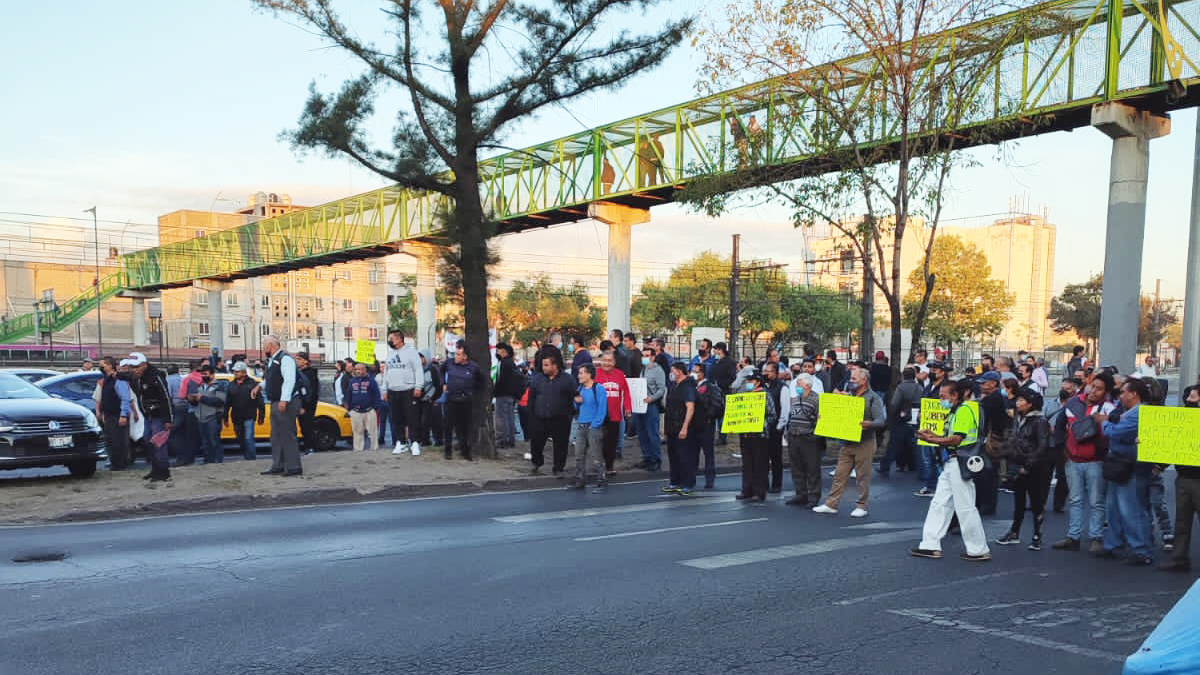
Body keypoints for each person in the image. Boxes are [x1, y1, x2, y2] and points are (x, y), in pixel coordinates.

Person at [910, 379, 991, 562]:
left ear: (955, 395)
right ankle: (930, 545)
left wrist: (932, 440)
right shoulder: (966, 409)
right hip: (955, 461)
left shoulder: (964, 410)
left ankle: (978, 549)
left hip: (958, 461)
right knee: (940, 503)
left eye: (943, 396)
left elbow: (956, 439)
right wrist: (934, 437)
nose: (941, 400)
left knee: (964, 507)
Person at [1051, 372, 1116, 553]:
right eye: (1092, 386)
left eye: (1099, 389)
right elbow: (1059, 426)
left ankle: (1096, 537)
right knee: (1075, 499)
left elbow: (1113, 433)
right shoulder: (1073, 403)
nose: (1093, 391)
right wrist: (1063, 450)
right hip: (1073, 459)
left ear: (1106, 392)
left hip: (1095, 460)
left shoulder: (1108, 408)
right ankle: (1074, 536)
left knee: (1096, 501)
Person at [1093, 378, 1154, 565]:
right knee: (1114, 507)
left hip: (1131, 466)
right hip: (1118, 463)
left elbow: (1116, 431)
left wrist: (1103, 423)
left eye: (1123, 392)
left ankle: (1141, 549)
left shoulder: (1139, 413)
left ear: (1134, 394)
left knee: (1131, 508)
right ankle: (1114, 543)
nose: (1120, 396)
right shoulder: (1126, 411)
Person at [813, 368, 886, 517]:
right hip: (847, 442)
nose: (850, 382)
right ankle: (831, 504)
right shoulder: (848, 397)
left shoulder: (873, 398)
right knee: (840, 474)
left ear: (864, 381)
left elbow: (881, 420)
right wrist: (825, 417)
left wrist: (869, 424)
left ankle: (862, 506)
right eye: (851, 379)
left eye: (854, 379)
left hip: (865, 442)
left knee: (862, 476)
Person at [995, 388, 1051, 550]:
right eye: (1017, 400)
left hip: (1034, 467)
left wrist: (1028, 465)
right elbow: (1013, 440)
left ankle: (1037, 535)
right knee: (1018, 501)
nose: (1018, 403)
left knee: (1036, 502)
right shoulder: (1018, 419)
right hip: (1017, 464)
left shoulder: (1040, 421)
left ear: (1030, 403)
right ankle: (1014, 532)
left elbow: (1042, 447)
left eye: (1021, 400)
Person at [1161, 387, 1200, 572]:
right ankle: (1179, 557)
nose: (1189, 399)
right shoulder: (1184, 418)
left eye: (1193, 397)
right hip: (1184, 476)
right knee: (1182, 520)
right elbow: (1175, 443)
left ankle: (1179, 557)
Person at [260, 335, 304, 477]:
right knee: (276, 435)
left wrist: (284, 400)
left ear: (271, 345)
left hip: (286, 402)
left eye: (264, 344)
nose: (263, 347)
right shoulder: (272, 361)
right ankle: (278, 465)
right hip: (276, 401)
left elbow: (289, 380)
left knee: (287, 434)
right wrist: (259, 387)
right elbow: (271, 379)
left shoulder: (285, 359)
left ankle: (293, 467)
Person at [128, 352, 174, 482]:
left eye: (136, 367)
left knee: (159, 443)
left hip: (159, 415)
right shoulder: (137, 377)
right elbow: (125, 376)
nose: (134, 370)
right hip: (148, 415)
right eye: (132, 367)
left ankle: (164, 472)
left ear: (144, 365)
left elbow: (166, 398)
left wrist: (169, 419)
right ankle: (155, 470)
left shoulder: (155, 376)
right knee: (149, 441)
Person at [528, 354, 576, 475]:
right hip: (540, 417)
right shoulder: (537, 379)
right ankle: (537, 463)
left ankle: (558, 468)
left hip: (561, 419)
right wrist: (531, 413)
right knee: (536, 443)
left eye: (546, 365)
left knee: (561, 445)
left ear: (555, 365)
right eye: (543, 365)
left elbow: (574, 397)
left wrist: (570, 414)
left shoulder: (568, 379)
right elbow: (532, 397)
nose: (543, 367)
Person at [736, 371, 776, 503]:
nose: (749, 383)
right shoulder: (745, 395)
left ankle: (759, 492)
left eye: (751, 381)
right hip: (746, 433)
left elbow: (772, 415)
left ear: (758, 382)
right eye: (748, 381)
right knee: (747, 463)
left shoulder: (765, 396)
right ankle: (747, 490)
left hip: (760, 434)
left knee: (760, 463)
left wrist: (760, 422)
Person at [442, 342, 487, 461]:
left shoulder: (473, 367)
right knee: (448, 425)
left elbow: (481, 382)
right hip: (451, 399)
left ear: (465, 356)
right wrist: (444, 383)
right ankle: (447, 450)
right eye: (455, 353)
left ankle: (465, 450)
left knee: (465, 427)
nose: (455, 356)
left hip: (466, 401)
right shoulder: (449, 363)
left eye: (458, 354)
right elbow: (441, 371)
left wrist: (471, 392)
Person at [384, 329, 424, 456]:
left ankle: (414, 442)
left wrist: (418, 387)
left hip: (408, 390)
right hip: (393, 390)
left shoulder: (411, 352)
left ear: (399, 339)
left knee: (411, 418)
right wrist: (384, 389)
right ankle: (401, 442)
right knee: (397, 418)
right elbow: (386, 372)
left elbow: (418, 370)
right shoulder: (390, 354)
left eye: (391, 338)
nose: (389, 341)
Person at [663, 362, 700, 496]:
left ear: (679, 371)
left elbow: (690, 408)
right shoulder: (675, 386)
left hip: (682, 428)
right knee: (674, 456)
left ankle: (688, 484)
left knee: (685, 456)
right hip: (672, 427)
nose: (671, 374)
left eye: (672, 371)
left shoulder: (687, 387)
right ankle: (675, 482)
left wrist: (684, 427)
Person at [784, 373, 821, 506]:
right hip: (794, 437)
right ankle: (801, 494)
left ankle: (813, 496)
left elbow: (821, 420)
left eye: (799, 383)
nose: (797, 385)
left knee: (812, 468)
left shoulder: (816, 399)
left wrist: (814, 435)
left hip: (808, 438)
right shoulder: (796, 398)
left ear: (807, 385)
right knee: (796, 468)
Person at [975, 370, 1009, 514]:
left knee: (987, 473)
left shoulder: (992, 400)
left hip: (991, 439)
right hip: (995, 438)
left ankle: (986, 505)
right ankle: (988, 504)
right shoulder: (998, 397)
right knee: (990, 473)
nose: (981, 385)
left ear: (993, 383)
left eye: (984, 383)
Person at [879, 367, 922, 478]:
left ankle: (885, 467)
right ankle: (913, 465)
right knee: (912, 443)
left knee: (894, 443)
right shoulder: (919, 387)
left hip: (902, 417)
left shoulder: (901, 387)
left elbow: (894, 403)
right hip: (916, 417)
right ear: (914, 376)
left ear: (903, 376)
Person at [571, 363, 608, 492]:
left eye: (581, 373)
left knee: (596, 455)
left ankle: (601, 480)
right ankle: (580, 479)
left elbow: (602, 409)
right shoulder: (580, 388)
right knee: (579, 454)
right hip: (581, 425)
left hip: (593, 426)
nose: (579, 375)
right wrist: (576, 402)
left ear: (589, 374)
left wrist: (595, 425)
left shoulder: (598, 388)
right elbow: (576, 408)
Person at [596, 351, 632, 473]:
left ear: (614, 362)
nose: (607, 363)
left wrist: (628, 408)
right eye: (604, 360)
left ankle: (609, 466)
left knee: (611, 442)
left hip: (614, 415)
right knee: (597, 442)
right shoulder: (594, 374)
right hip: (598, 415)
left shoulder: (620, 374)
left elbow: (626, 392)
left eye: (609, 360)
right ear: (600, 361)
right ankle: (598, 465)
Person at [97, 356, 132, 471]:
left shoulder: (118, 380)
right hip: (109, 415)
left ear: (110, 366)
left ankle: (120, 464)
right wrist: (102, 412)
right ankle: (115, 463)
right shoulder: (106, 380)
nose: (101, 367)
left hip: (117, 415)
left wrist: (123, 415)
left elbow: (125, 398)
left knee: (119, 441)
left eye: (103, 365)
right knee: (111, 440)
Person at [187, 364, 227, 464]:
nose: (203, 376)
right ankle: (208, 461)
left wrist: (202, 398)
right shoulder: (200, 386)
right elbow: (197, 402)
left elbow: (220, 401)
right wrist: (192, 400)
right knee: (205, 442)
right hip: (201, 417)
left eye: (206, 374)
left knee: (214, 441)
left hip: (213, 417)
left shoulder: (219, 386)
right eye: (202, 374)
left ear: (212, 375)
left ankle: (217, 462)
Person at [635, 346, 666, 471]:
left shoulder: (658, 370)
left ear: (653, 357)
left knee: (652, 433)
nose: (644, 358)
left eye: (647, 355)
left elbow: (661, 389)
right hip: (640, 404)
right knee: (642, 433)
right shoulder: (642, 369)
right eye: (643, 355)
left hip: (651, 405)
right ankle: (647, 457)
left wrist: (652, 398)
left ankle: (656, 460)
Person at [225, 362, 264, 461]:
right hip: (236, 417)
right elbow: (227, 402)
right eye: (234, 371)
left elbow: (260, 401)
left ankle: (251, 460)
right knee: (240, 439)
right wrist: (225, 417)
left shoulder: (252, 384)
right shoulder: (231, 385)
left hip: (249, 416)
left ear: (243, 372)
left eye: (237, 371)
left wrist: (261, 416)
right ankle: (246, 456)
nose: (235, 373)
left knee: (248, 438)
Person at [691, 362, 721, 489]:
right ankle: (691, 478)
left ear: (702, 373)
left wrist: (707, 416)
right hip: (693, 424)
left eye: (696, 371)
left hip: (706, 425)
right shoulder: (691, 386)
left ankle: (710, 479)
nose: (693, 373)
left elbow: (716, 405)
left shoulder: (710, 387)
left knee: (708, 453)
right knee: (692, 453)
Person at [346, 362, 382, 451]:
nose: (358, 371)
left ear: (365, 370)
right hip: (356, 411)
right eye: (356, 369)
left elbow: (377, 394)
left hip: (369, 410)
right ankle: (358, 449)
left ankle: (374, 448)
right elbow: (348, 395)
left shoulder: (371, 381)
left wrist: (376, 407)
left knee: (373, 432)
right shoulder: (352, 381)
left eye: (360, 369)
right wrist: (349, 409)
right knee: (357, 431)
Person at [493, 342, 522, 449]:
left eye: (498, 350)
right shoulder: (511, 363)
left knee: (501, 417)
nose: (497, 352)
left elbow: (501, 379)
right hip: (510, 395)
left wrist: (495, 391)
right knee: (509, 417)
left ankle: (502, 440)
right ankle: (510, 439)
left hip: (503, 394)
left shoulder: (504, 363)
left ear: (503, 351)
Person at [295, 352, 320, 455]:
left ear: (305, 361)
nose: (296, 361)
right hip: (300, 404)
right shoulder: (298, 372)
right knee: (303, 427)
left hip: (307, 406)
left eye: (299, 359)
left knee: (307, 427)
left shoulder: (309, 374)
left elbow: (311, 392)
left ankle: (310, 448)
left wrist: (305, 406)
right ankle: (307, 448)